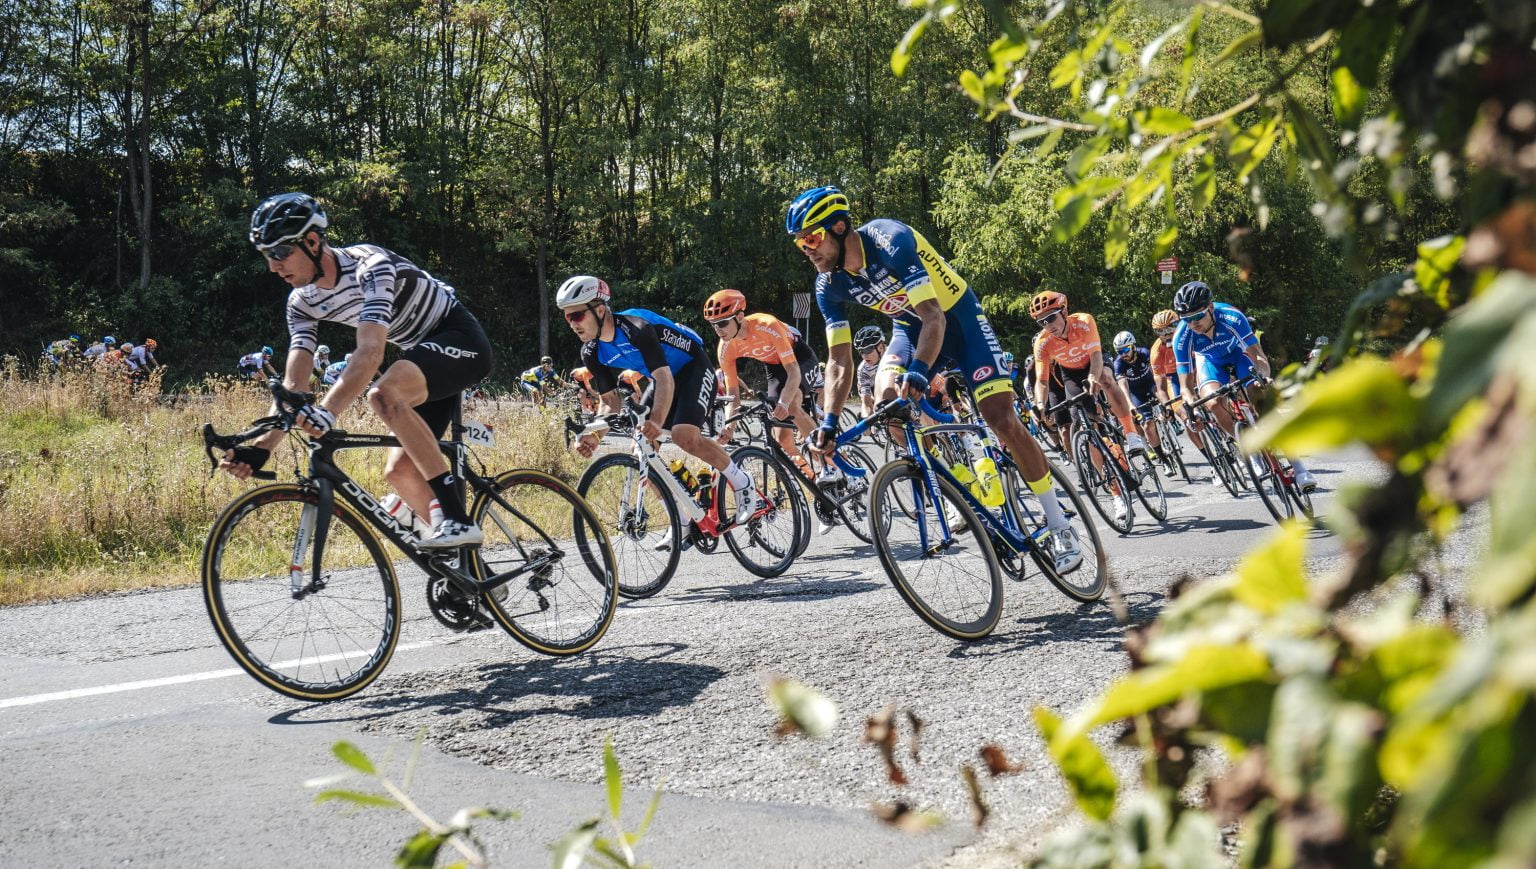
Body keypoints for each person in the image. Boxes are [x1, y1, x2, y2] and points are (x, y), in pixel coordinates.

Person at [786, 185, 1081, 572]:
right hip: (909, 330)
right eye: (799, 244)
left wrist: (922, 373)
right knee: (888, 401)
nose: (807, 249)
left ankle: (1058, 523)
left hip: (957, 320)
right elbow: (839, 360)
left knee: (999, 418)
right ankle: (964, 490)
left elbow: (934, 316)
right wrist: (827, 421)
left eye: (811, 238)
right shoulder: (828, 286)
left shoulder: (890, 240)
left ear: (839, 227)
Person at [219, 191, 494, 548]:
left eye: (280, 252)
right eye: (266, 256)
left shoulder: (370, 266)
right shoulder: (301, 302)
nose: (273, 266)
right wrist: (261, 448)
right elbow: (294, 383)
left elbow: (371, 351)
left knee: (384, 395)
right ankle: (471, 574)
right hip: (420, 354)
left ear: (313, 241)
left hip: (459, 338)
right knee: (399, 472)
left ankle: (457, 519)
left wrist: (328, 412)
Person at [559, 274, 764, 527]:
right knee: (641, 450)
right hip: (663, 380)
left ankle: (742, 481)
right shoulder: (591, 351)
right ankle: (681, 522)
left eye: (577, 316)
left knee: (683, 436)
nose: (572, 323)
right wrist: (595, 435)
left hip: (693, 368)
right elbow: (610, 401)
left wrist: (656, 420)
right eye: (568, 317)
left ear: (600, 310)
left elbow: (664, 376)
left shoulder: (636, 328)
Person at [1170, 280, 1316, 491]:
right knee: (1211, 402)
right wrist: (1191, 407)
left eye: (1197, 316)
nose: (1193, 323)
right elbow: (1185, 385)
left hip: (1239, 355)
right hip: (1210, 362)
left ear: (1210, 307)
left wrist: (1263, 377)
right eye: (1186, 319)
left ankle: (1300, 469)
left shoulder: (1231, 316)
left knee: (1259, 395)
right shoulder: (1182, 337)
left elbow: (1258, 356)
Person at [1030, 291, 1146, 527]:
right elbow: (1041, 381)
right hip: (1071, 374)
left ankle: (1131, 434)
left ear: (1063, 312)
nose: (1047, 325)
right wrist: (1039, 404)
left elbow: (1095, 355)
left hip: (1094, 363)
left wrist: (1093, 377)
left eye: (1051, 318)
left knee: (1105, 376)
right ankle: (1117, 496)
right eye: (1042, 322)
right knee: (1084, 428)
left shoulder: (1083, 322)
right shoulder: (1043, 343)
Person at [704, 289, 821, 477]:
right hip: (774, 366)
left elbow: (793, 371)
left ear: (740, 317)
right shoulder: (725, 348)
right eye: (713, 325)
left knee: (790, 406)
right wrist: (729, 427)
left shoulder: (767, 325)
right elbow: (733, 395)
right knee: (782, 439)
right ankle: (814, 478)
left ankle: (832, 462)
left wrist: (783, 402)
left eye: (723, 323)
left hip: (799, 359)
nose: (718, 329)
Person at [1111, 331, 1170, 476]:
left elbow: (1156, 373)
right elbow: (1123, 386)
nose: (1123, 353)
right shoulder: (1118, 363)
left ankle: (1170, 417)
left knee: (1163, 398)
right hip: (1136, 392)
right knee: (1148, 425)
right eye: (1120, 351)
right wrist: (1130, 404)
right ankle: (1164, 460)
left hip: (1150, 384)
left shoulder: (1144, 353)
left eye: (1125, 349)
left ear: (1133, 346)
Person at [1149, 309, 1206, 458]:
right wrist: (1167, 406)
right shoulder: (1156, 353)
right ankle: (1211, 458)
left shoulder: (1191, 331)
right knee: (1185, 415)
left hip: (1195, 365)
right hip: (1174, 377)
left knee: (1213, 398)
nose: (1167, 334)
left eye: (1170, 328)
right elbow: (1160, 388)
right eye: (1161, 331)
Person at [852, 325, 886, 418]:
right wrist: (867, 419)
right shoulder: (863, 369)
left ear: (880, 347)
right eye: (861, 351)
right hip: (874, 392)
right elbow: (866, 399)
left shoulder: (894, 354)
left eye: (867, 350)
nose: (864, 355)